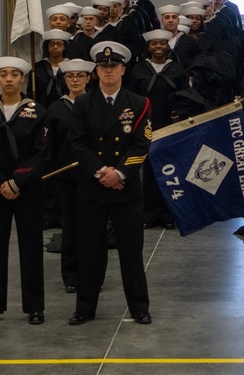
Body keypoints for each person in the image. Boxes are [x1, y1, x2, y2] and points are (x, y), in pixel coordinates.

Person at [68, 41, 154, 325]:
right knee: (90, 251)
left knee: (131, 252)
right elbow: (77, 143)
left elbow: (141, 145)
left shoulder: (139, 103)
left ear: (123, 70)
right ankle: (85, 308)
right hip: (92, 188)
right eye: (103, 66)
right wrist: (102, 172)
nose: (108, 71)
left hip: (126, 188)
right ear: (96, 71)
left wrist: (119, 173)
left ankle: (139, 307)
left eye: (113, 66)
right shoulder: (83, 103)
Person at [0, 57, 51, 325]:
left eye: (14, 75)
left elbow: (42, 153)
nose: (8, 79)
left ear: (22, 79)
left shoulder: (37, 112)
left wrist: (17, 182)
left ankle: (35, 306)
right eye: (3, 74)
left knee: (31, 247)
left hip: (28, 190)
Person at [127, 29, 187, 229]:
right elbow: (132, 98)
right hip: (146, 126)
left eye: (162, 43)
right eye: (154, 44)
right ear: (149, 47)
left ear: (167, 46)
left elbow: (186, 96)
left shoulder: (177, 69)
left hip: (170, 126)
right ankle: (149, 215)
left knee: (170, 170)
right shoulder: (139, 70)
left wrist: (179, 113)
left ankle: (169, 214)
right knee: (149, 171)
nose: (158, 47)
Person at [43, 57, 94, 292]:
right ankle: (71, 276)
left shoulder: (96, 104)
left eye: (80, 76)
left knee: (92, 227)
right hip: (66, 177)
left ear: (88, 78)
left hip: (92, 175)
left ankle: (93, 276)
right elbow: (50, 147)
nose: (75, 80)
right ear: (64, 79)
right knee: (70, 228)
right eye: (70, 76)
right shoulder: (55, 109)